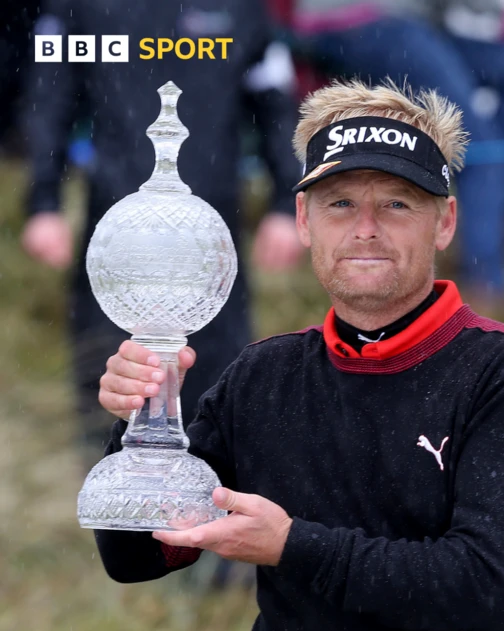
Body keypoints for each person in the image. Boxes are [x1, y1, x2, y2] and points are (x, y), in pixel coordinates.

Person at [95, 79, 504, 631]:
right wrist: (139, 423)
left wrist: (293, 546)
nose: (365, 228)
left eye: (396, 204)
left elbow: (478, 592)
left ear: (444, 221)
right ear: (304, 219)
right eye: (341, 203)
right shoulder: (261, 377)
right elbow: (134, 559)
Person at [20, 0, 304, 463]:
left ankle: (205, 507)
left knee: (213, 375)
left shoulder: (240, 10)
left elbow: (275, 100)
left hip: (211, 234)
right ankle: (111, 502)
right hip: (116, 234)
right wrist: (43, 202)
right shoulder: (82, 7)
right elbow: (48, 95)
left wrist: (283, 204)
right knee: (112, 372)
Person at [287, 0, 504, 301]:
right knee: (481, 149)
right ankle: (486, 285)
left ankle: (493, 213)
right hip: (376, 22)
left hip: (356, 24)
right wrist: (494, 12)